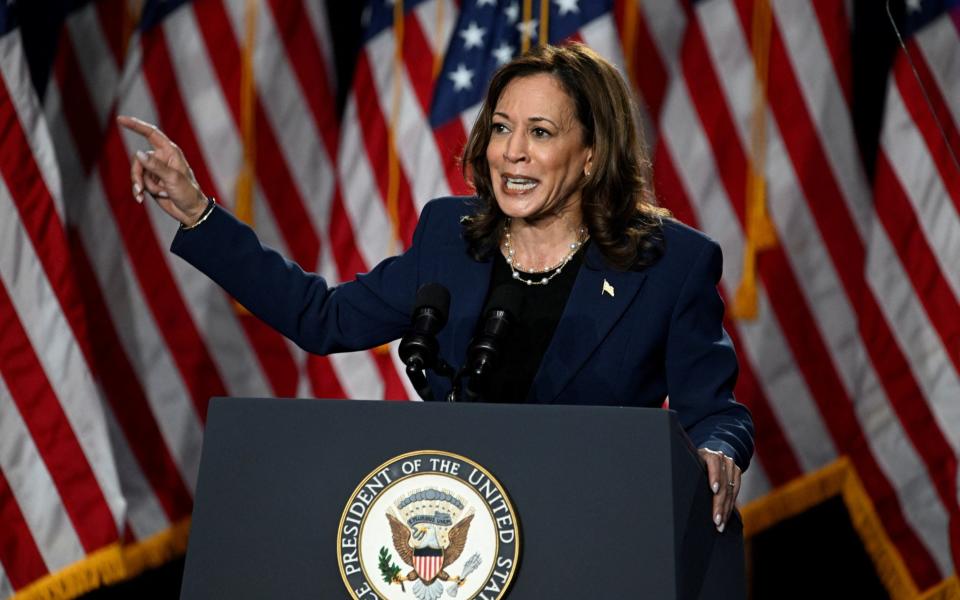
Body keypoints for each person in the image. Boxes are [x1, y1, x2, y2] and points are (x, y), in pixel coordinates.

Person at [119, 43, 753, 533]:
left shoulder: (667, 265)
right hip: (460, 537)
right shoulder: (453, 237)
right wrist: (200, 212)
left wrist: (719, 450)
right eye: (502, 128)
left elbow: (714, 413)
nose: (513, 153)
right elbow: (323, 319)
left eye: (540, 132)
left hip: (593, 533)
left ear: (590, 154)